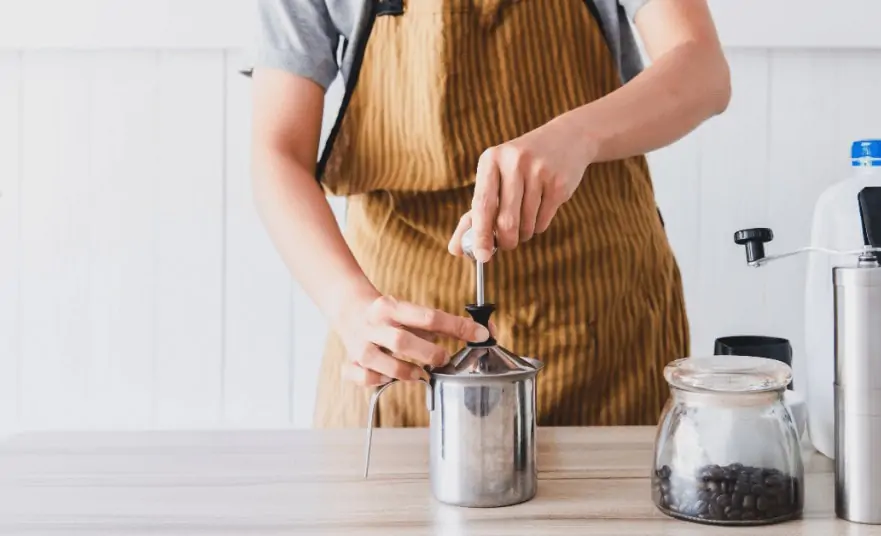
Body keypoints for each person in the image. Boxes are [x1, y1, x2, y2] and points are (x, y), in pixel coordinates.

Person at [250, 0, 730, 428]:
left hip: (606, 340)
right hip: (408, 359)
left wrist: (579, 135)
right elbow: (278, 153)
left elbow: (702, 69)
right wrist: (350, 306)